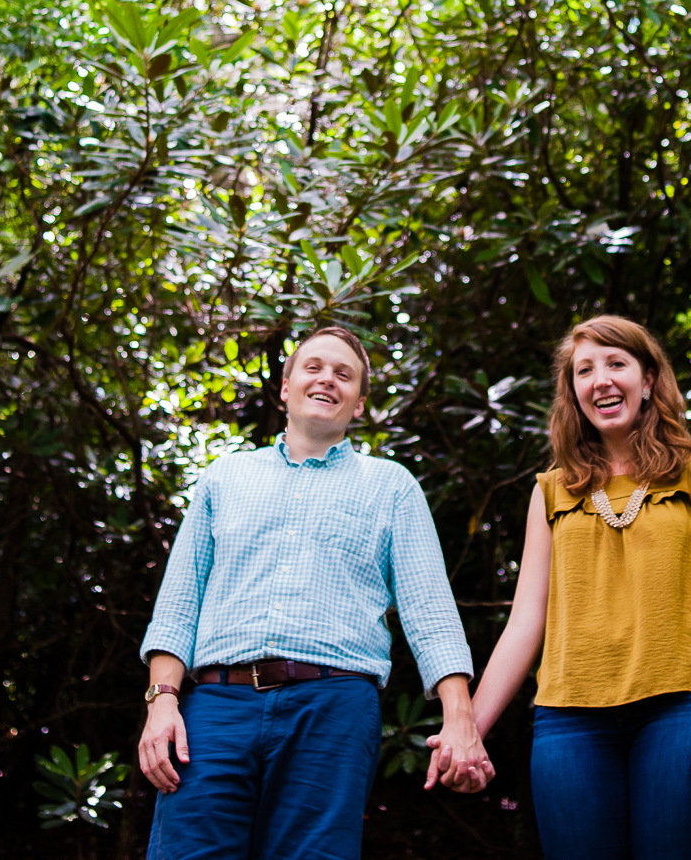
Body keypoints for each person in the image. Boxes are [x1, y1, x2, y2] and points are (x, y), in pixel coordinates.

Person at [137, 324, 491, 859]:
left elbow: (431, 612)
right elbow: (179, 604)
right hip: (215, 707)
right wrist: (162, 703)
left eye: (343, 374)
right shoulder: (223, 477)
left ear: (360, 403)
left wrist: (461, 721)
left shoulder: (391, 485)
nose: (328, 379)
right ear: (285, 387)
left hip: (333, 707)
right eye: (314, 367)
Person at [453, 314, 691, 860]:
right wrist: (466, 729)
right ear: (573, 392)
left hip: (681, 711)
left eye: (617, 363)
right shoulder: (550, 491)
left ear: (649, 381)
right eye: (584, 370)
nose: (601, 380)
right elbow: (525, 622)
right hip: (569, 724)